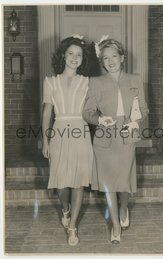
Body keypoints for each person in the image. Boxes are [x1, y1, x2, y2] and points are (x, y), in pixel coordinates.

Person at [82, 37, 149, 244]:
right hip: (104, 138)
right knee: (109, 182)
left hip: (127, 134)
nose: (110, 61)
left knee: (124, 179)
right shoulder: (95, 82)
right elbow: (87, 112)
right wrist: (99, 119)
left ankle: (122, 208)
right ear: (102, 61)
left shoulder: (135, 79)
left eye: (113, 56)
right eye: (105, 58)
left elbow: (143, 109)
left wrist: (135, 123)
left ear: (122, 57)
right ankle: (116, 226)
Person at [42, 35, 93, 246]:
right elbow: (47, 114)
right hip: (59, 133)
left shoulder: (88, 82)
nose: (74, 58)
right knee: (62, 184)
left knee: (79, 182)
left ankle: (72, 227)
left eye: (79, 55)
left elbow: (93, 110)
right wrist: (45, 141)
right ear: (63, 55)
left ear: (83, 59)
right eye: (71, 53)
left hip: (81, 133)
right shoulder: (50, 81)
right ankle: (65, 209)